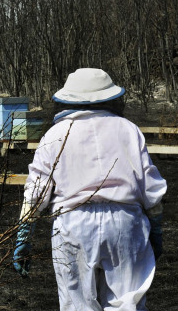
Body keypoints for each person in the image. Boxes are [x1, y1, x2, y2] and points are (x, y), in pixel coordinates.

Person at [14, 68, 167, 311]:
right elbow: (150, 185)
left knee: (77, 305)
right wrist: (156, 227)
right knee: (128, 305)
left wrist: (24, 234)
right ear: (111, 98)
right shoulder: (128, 129)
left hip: (72, 224)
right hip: (125, 223)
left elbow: (36, 191)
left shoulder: (55, 134)